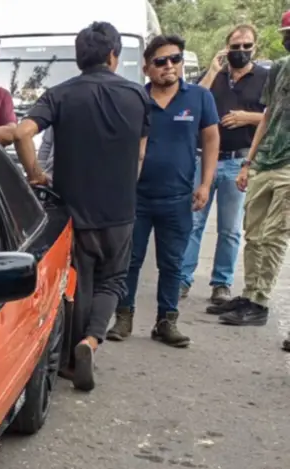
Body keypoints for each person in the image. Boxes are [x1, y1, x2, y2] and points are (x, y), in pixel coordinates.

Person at [15, 22, 150, 392]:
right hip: (120, 208)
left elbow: (22, 132)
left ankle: (72, 363)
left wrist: (35, 172)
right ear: (113, 55)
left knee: (80, 280)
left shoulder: (59, 95)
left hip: (72, 208)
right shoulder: (137, 96)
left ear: (79, 57)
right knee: (113, 279)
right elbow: (141, 151)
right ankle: (91, 341)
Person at [108, 35, 219, 348]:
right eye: (161, 61)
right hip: (136, 197)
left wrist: (206, 183)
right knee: (130, 260)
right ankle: (124, 316)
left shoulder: (199, 97)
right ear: (147, 68)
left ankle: (166, 321)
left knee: (172, 262)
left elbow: (211, 140)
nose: (169, 66)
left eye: (175, 59)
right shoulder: (135, 98)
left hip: (178, 197)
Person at [209, 10, 290, 331]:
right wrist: (248, 162)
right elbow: (269, 117)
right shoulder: (280, 69)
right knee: (254, 234)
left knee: (273, 236)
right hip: (264, 161)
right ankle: (248, 294)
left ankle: (260, 300)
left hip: (287, 168)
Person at [181, 25, 267, 308]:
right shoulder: (214, 76)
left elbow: (275, 116)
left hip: (238, 161)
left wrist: (247, 117)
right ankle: (182, 279)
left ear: (255, 47)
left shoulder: (265, 78)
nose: (241, 51)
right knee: (193, 222)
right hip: (204, 159)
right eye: (236, 46)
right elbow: (190, 102)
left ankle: (221, 283)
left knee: (230, 229)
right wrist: (213, 71)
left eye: (247, 46)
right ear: (226, 47)